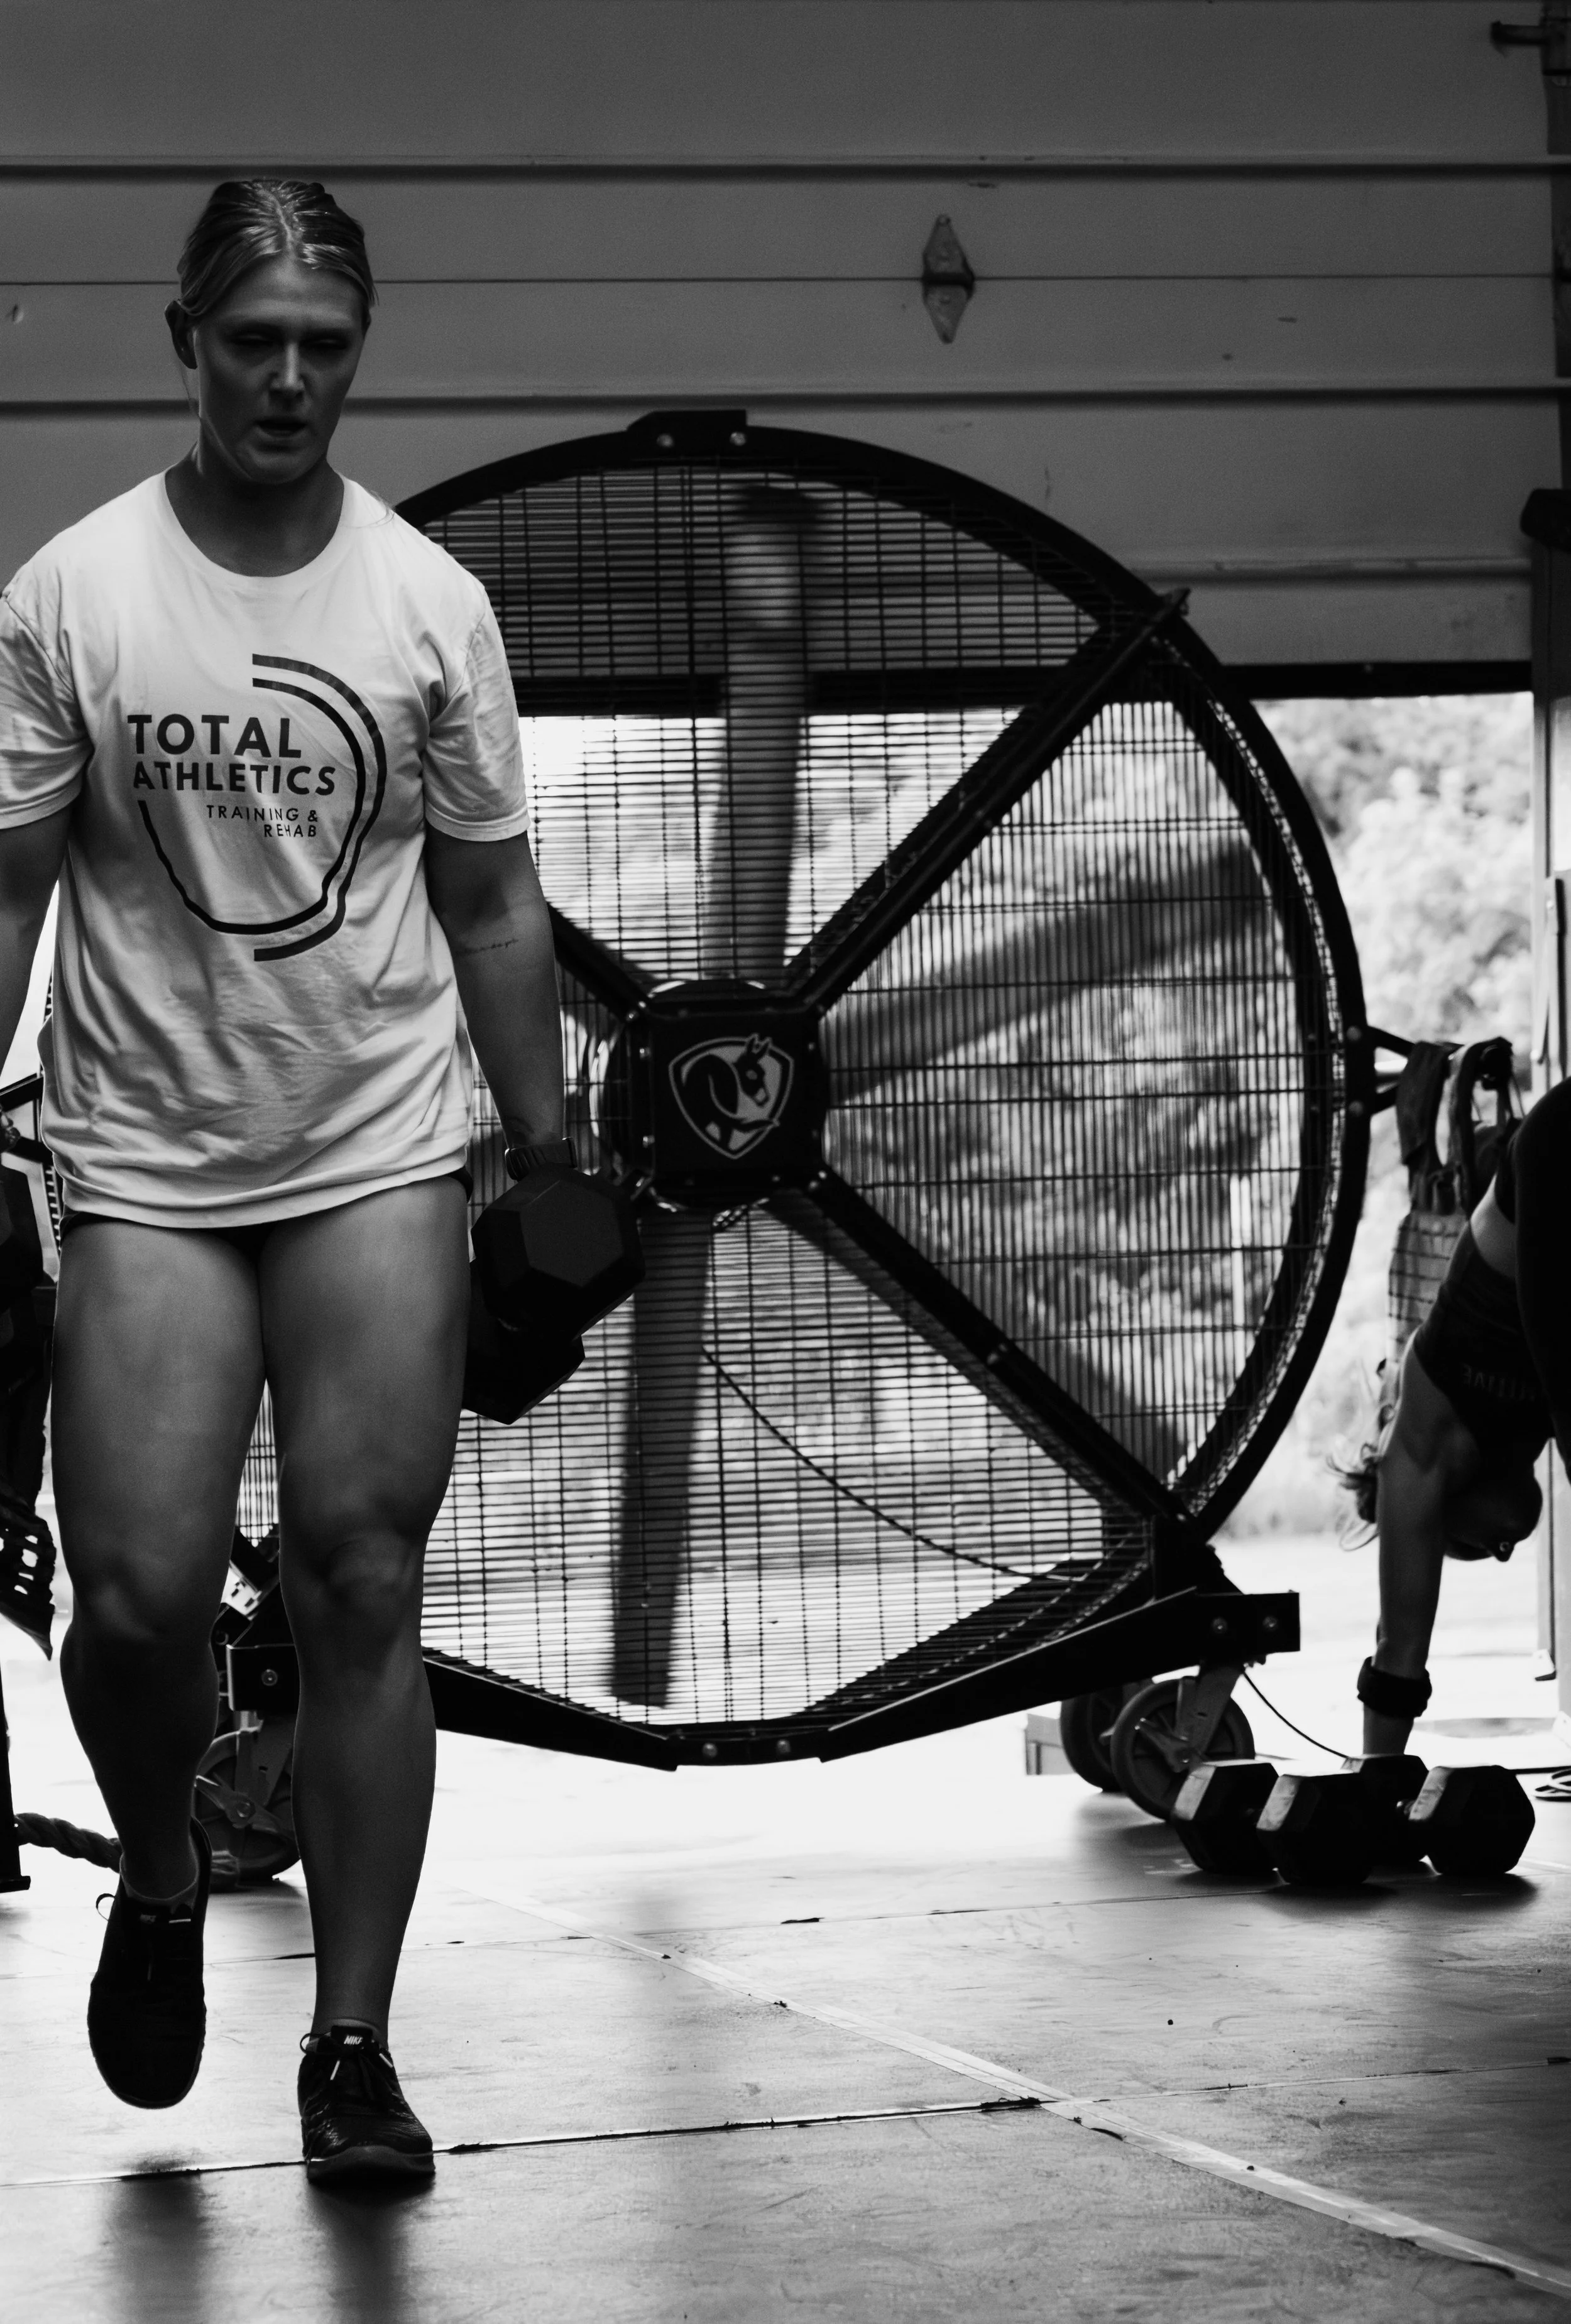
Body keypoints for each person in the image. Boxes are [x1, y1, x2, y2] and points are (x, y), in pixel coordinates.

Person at [0, 180, 565, 2179]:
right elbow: (10, 893)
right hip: (143, 1164)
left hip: (373, 1155)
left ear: (358, 349)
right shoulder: (77, 593)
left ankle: (351, 2047)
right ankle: (160, 1867)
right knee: (139, 1601)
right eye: (257, 341)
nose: (293, 379)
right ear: (189, 339)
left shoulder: (425, 607)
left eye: (327, 343)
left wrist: (553, 1145)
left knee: (358, 1582)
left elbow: (493, 902)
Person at [1345, 1110, 1551, 1757]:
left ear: (1438, 1508)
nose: (1502, 1548)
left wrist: (1376, 1789)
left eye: (1470, 1543)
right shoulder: (1519, 1433)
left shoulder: (1421, 1443)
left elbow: (1397, 1652)